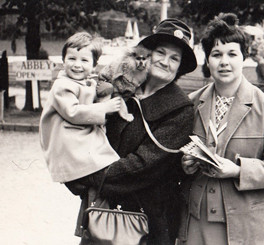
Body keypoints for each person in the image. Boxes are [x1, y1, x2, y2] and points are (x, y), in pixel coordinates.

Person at [65, 19, 197, 245]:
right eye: (160, 53)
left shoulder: (181, 109)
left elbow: (143, 165)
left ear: (179, 67)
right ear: (146, 54)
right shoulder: (122, 89)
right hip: (102, 215)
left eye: (174, 58)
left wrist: (88, 176)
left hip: (147, 223)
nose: (165, 62)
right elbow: (87, 134)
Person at [178, 13, 264, 245]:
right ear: (207, 60)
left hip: (244, 226)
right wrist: (185, 165)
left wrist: (238, 170)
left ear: (244, 57)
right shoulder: (191, 103)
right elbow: (177, 158)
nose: (224, 62)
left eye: (232, 54)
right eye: (216, 54)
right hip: (196, 222)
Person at [39, 31, 121, 183]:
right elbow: (73, 112)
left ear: (94, 65)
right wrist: (104, 108)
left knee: (105, 163)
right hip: (68, 140)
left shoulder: (86, 82)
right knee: (103, 169)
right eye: (71, 58)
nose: (77, 65)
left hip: (77, 135)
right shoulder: (62, 85)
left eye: (84, 60)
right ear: (63, 61)